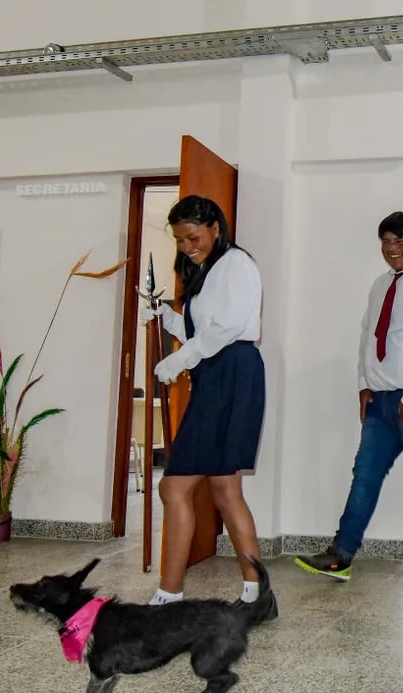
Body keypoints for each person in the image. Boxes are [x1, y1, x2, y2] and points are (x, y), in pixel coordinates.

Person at [295, 211, 403, 586]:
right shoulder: (380, 284)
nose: (392, 249)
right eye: (386, 241)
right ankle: (341, 555)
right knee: (364, 476)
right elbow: (368, 337)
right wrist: (363, 385)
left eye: (400, 242)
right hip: (380, 402)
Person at [141, 195, 275, 623]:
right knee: (224, 489)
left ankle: (169, 598)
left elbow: (229, 327)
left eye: (192, 237)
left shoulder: (235, 264)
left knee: (174, 487)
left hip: (229, 373)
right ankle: (258, 596)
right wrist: (165, 316)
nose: (186, 247)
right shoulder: (209, 270)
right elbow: (202, 329)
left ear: (215, 227)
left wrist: (179, 359)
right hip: (223, 371)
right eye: (179, 241)